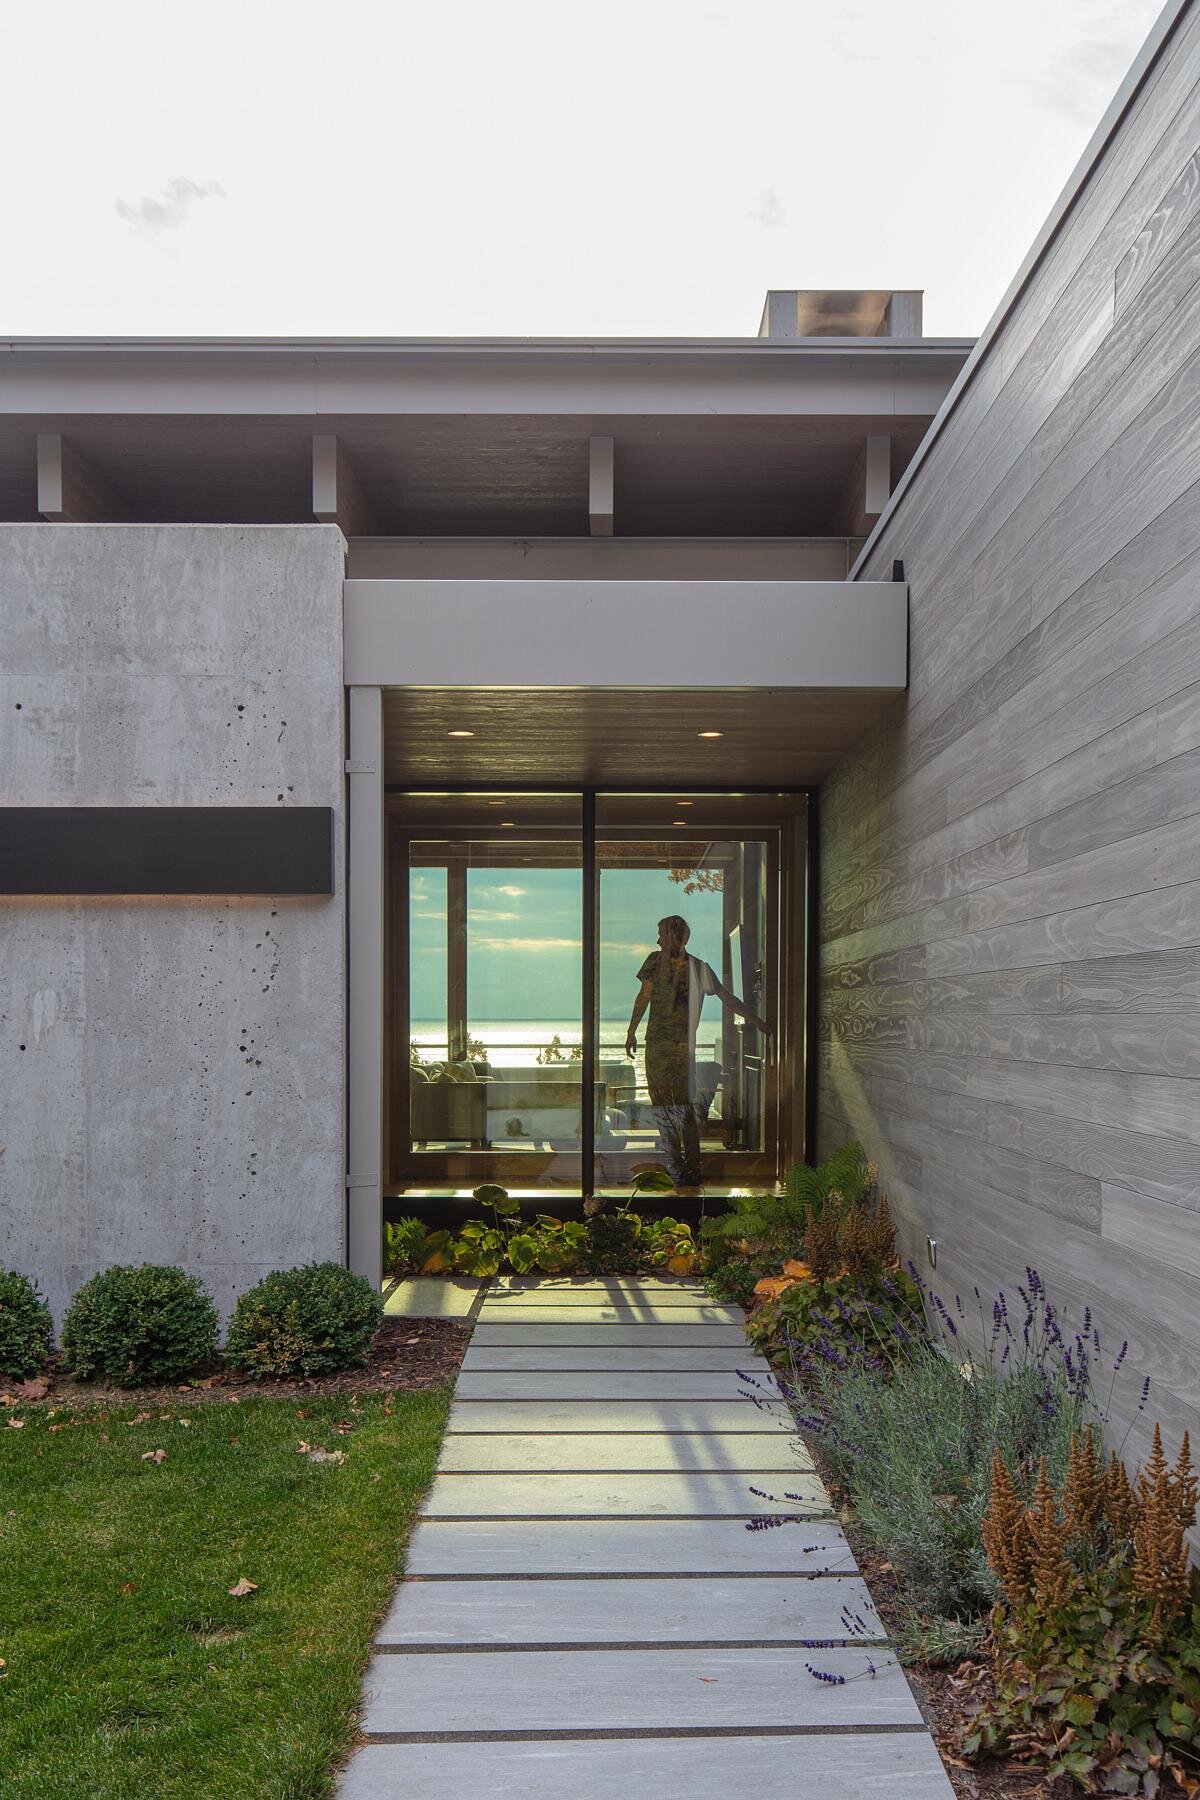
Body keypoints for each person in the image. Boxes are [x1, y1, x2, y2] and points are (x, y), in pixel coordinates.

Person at [625, 914, 770, 1189]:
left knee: (670, 1110)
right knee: (677, 1110)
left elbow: (644, 997)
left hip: (666, 1050)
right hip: (670, 1049)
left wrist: (631, 1031)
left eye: (661, 934)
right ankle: (685, 1169)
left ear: (672, 936)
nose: (658, 940)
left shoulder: (663, 963)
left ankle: (682, 1169)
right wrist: (757, 1022)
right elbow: (728, 999)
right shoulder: (694, 967)